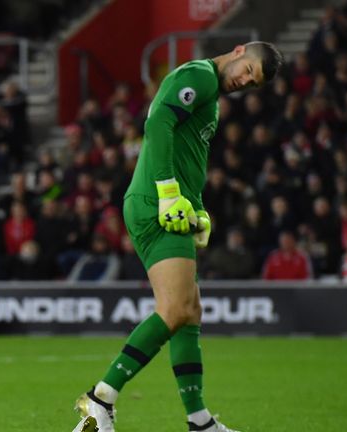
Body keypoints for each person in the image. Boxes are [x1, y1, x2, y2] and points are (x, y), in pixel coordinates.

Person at [72, 41, 283, 432]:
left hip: (171, 206)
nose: (243, 82)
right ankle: (101, 397)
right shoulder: (199, 75)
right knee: (175, 310)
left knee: (189, 313)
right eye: (247, 71)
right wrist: (169, 192)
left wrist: (197, 209)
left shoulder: (212, 102)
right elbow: (156, 125)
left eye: (252, 83)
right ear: (238, 52)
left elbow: (191, 162)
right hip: (157, 202)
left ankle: (199, 419)